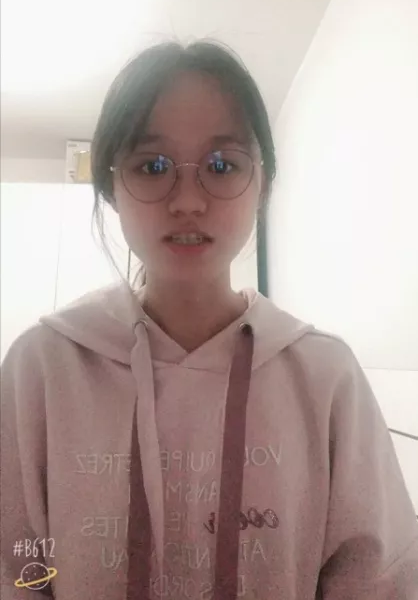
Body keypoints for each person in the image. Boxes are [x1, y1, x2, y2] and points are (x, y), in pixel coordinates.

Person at [1, 40, 417, 600]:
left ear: (263, 182)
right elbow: (16, 570)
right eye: (152, 166)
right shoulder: (42, 368)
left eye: (222, 166)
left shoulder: (325, 378)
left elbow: (377, 581)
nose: (188, 202)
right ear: (111, 187)